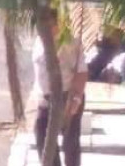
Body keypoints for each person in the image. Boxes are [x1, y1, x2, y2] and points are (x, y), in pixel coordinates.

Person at [31, 9, 88, 166]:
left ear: (57, 23)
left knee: (70, 143)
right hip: (45, 100)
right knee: (42, 136)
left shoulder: (70, 42)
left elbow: (81, 72)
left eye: (49, 23)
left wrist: (75, 99)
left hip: (67, 97)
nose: (45, 27)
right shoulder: (39, 40)